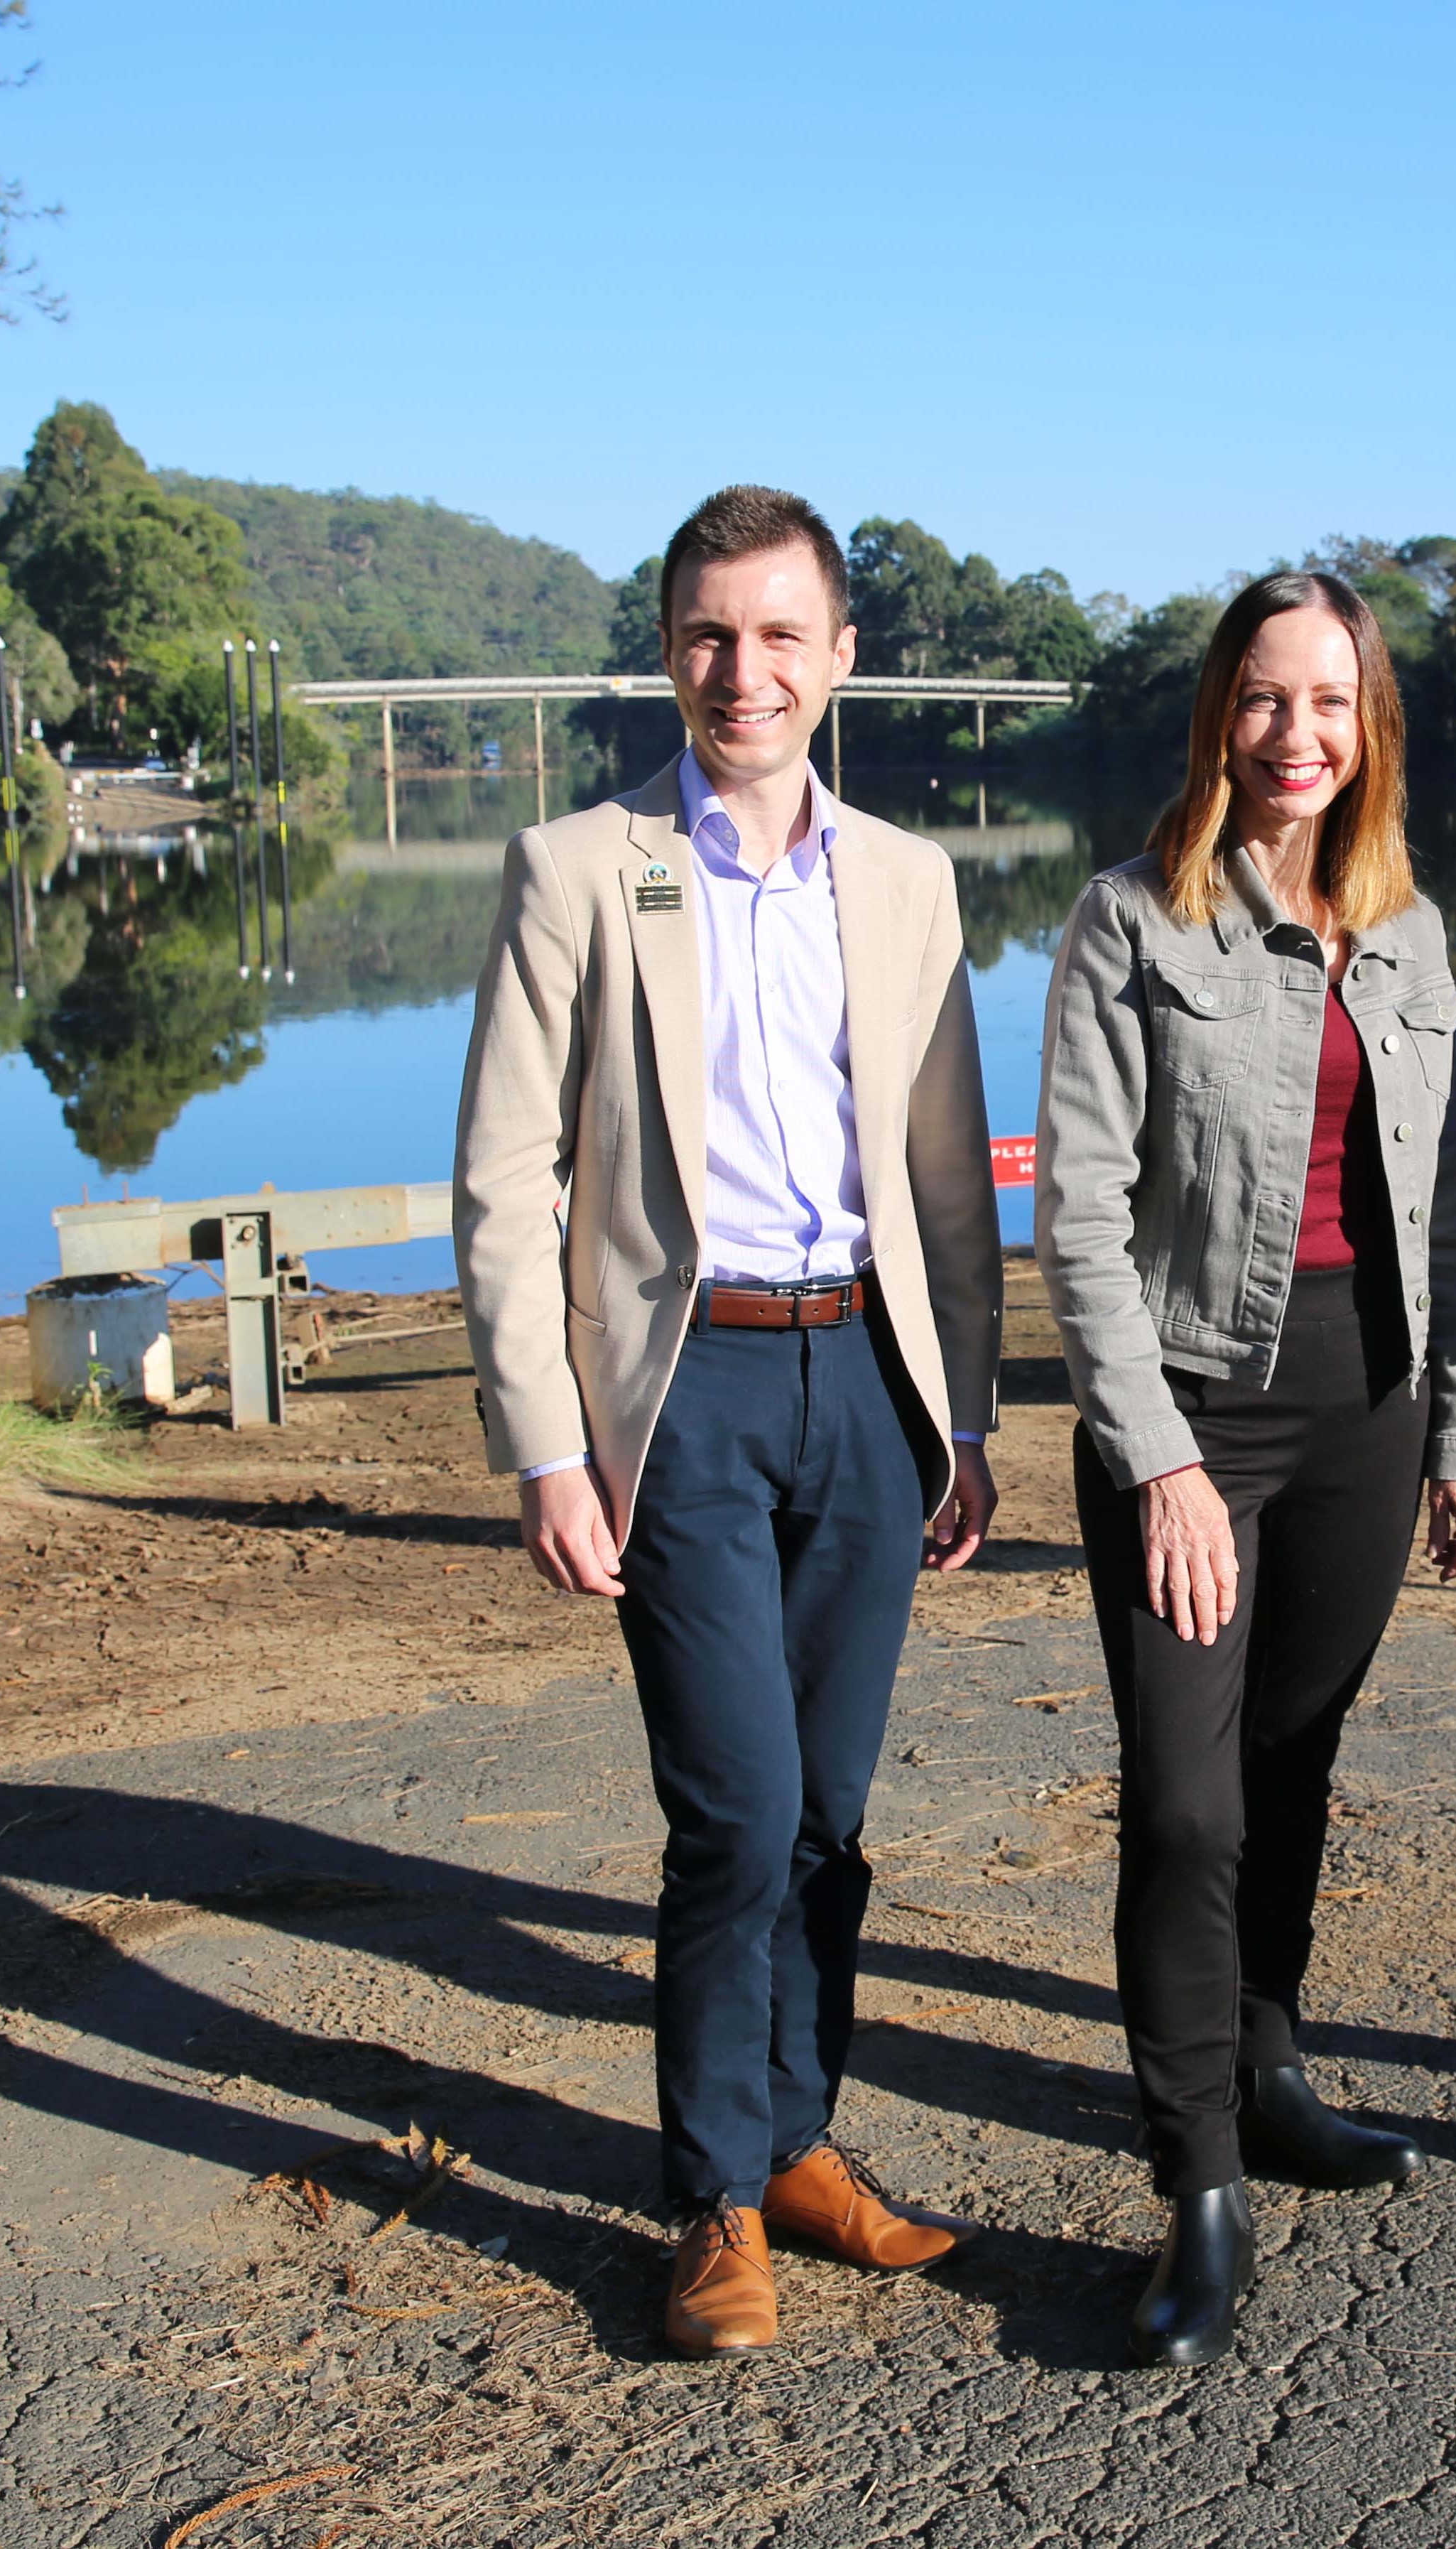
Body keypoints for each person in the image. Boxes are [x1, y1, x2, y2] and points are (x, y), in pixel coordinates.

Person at [454, 485, 1005, 2356]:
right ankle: (707, 2195)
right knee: (738, 1811)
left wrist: (969, 1418)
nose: (743, 669)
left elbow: (945, 1184)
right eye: (709, 631)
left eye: (782, 634)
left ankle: (796, 2140)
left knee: (833, 1820)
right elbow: (503, 1175)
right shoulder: (576, 868)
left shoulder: (913, 883)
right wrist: (546, 1440)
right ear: (668, 648)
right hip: (679, 1393)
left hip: (862, 1374)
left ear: (841, 657)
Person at [1036, 571, 1456, 2367]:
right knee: (1188, 1800)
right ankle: (1200, 2180)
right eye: (1260, 698)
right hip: (1194, 1420)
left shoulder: (1412, 936)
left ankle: (1276, 2063)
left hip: (1364, 1417)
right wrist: (1151, 1461)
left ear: (1367, 724)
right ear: (1216, 719)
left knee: (1293, 1768)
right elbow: (1076, 1221)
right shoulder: (1124, 925)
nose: (1294, 734)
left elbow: (1446, 1213)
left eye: (1328, 701)